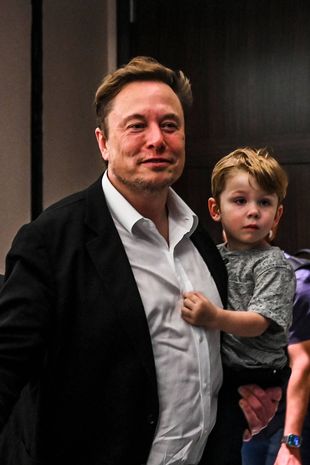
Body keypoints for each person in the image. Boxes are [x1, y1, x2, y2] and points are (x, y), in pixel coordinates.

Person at [0, 57, 281, 465]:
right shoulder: (52, 240)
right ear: (103, 142)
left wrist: (247, 395)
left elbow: (204, 356)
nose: (157, 140)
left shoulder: (202, 241)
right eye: (137, 125)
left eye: (170, 125)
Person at [182, 148, 295, 465]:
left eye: (264, 202)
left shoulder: (272, 264)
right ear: (215, 209)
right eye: (240, 200)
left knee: (223, 443)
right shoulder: (212, 254)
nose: (253, 212)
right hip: (225, 368)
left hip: (255, 374)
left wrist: (213, 317)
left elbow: (260, 321)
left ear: (278, 214)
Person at [242, 251, 310, 465]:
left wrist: (291, 443)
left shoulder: (298, 283)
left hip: (291, 416)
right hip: (249, 412)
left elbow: (302, 363)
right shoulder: (221, 273)